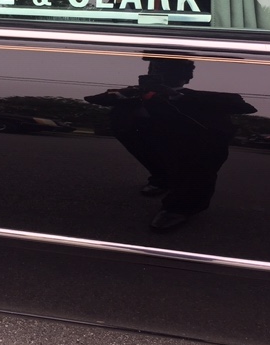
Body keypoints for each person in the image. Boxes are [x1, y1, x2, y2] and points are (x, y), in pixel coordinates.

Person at [85, 57, 257, 230]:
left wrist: (176, 96)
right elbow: (92, 99)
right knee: (122, 114)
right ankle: (163, 178)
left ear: (187, 75)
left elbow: (244, 107)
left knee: (203, 151)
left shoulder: (203, 97)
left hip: (200, 144)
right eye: (155, 67)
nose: (158, 72)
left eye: (166, 68)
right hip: (159, 140)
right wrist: (124, 94)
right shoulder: (138, 94)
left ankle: (183, 205)